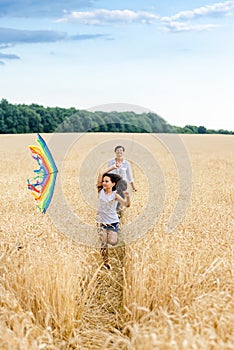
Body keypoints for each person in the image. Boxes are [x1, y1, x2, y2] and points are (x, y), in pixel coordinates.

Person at [96, 165, 131, 269]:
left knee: (112, 241)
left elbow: (127, 205)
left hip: (113, 222)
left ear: (113, 184)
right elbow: (101, 174)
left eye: (107, 181)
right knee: (103, 243)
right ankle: (106, 262)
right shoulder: (100, 191)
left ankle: (112, 239)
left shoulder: (115, 195)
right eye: (104, 181)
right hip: (101, 221)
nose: (104, 183)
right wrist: (112, 167)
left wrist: (128, 197)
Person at [107, 145, 136, 214]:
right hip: (113, 184)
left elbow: (129, 176)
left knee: (121, 200)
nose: (119, 152)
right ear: (115, 152)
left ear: (123, 152)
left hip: (122, 185)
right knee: (112, 199)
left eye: (121, 150)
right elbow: (107, 174)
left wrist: (133, 187)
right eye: (118, 150)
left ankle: (119, 215)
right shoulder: (111, 162)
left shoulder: (126, 164)